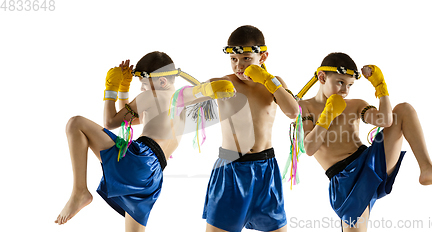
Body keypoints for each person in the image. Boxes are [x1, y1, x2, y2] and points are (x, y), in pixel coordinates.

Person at [54, 51, 233, 231]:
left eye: (144, 84)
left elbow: (111, 122)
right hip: (153, 176)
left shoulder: (149, 97)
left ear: (161, 82)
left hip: (140, 158)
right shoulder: (181, 104)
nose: (141, 90)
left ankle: (79, 191)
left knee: (75, 123)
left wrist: (112, 88)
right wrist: (124, 88)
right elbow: (127, 117)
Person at [297, 52, 432, 231]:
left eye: (349, 85)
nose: (345, 91)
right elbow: (309, 148)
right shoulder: (305, 107)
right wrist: (328, 115)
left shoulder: (355, 104)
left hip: (370, 162)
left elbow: (385, 121)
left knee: (403, 110)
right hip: (344, 179)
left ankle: (426, 169)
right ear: (322, 77)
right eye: (340, 82)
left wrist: (381, 87)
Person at [199, 25, 299, 232]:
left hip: (266, 168)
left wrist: (270, 82)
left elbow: (293, 112)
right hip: (231, 168)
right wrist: (204, 88)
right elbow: (181, 100)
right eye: (234, 59)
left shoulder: (274, 83)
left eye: (246, 58)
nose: (239, 66)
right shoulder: (225, 82)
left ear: (263, 57)